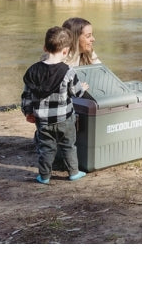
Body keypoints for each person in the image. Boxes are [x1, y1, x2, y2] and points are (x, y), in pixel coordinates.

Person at [22, 26, 89, 184]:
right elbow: (76, 93)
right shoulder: (68, 71)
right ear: (66, 51)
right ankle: (73, 172)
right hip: (65, 119)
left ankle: (44, 176)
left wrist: (28, 112)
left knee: (46, 148)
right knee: (68, 146)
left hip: (43, 121)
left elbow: (26, 95)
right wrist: (83, 88)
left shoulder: (32, 71)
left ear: (45, 47)